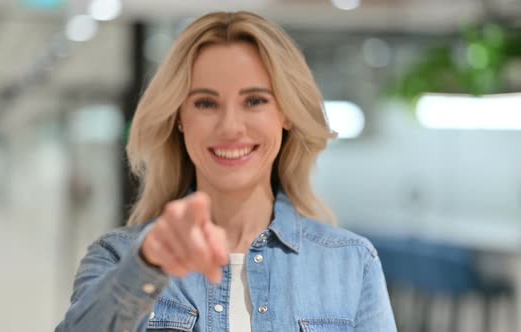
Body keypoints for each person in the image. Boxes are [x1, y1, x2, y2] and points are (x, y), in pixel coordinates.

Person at [56, 11, 396, 332]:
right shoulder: (117, 258)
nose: (230, 127)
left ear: (286, 114)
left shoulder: (351, 263)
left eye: (255, 101)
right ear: (179, 117)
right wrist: (147, 265)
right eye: (206, 103)